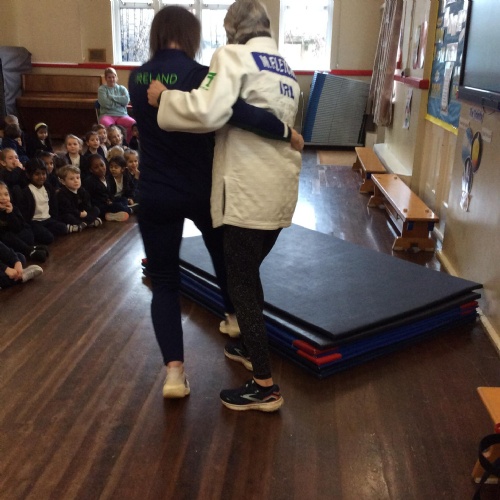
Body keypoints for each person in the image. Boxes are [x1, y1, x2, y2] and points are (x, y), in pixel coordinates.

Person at [129, 5, 302, 400]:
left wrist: (165, 97)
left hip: (158, 190)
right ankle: (235, 323)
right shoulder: (216, 71)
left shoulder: (138, 77)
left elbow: (215, 110)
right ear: (192, 36)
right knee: (233, 267)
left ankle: (177, 375)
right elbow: (232, 111)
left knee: (170, 281)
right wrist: (285, 130)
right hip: (208, 188)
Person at [14, 158, 81, 245]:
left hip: (48, 219)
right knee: (48, 237)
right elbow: (25, 212)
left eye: (43, 173)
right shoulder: (25, 191)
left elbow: (53, 206)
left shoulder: (48, 188)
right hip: (34, 222)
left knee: (62, 227)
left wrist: (53, 219)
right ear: (28, 175)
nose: (41, 177)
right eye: (37, 174)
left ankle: (58, 229)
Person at [0, 181, 48, 262]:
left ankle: (31, 248)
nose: (4, 198)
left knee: (27, 235)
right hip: (6, 239)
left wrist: (10, 213)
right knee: (7, 236)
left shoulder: (13, 208)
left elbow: (18, 227)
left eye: (6, 194)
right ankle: (30, 251)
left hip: (17, 234)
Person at [83, 154, 130, 222]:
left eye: (102, 165)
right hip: (99, 206)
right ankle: (129, 209)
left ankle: (111, 214)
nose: (100, 169)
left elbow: (109, 193)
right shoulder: (90, 181)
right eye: (96, 167)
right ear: (91, 170)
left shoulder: (107, 178)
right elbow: (90, 199)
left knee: (124, 199)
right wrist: (107, 202)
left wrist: (110, 200)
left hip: (108, 202)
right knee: (118, 206)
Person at [97, 67, 136, 142]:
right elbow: (105, 103)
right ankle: (109, 145)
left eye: (113, 77)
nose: (111, 79)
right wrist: (119, 103)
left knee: (133, 123)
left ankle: (126, 143)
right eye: (109, 77)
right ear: (106, 78)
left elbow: (126, 101)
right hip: (107, 114)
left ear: (116, 77)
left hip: (122, 115)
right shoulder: (102, 89)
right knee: (105, 124)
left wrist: (112, 97)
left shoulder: (122, 88)